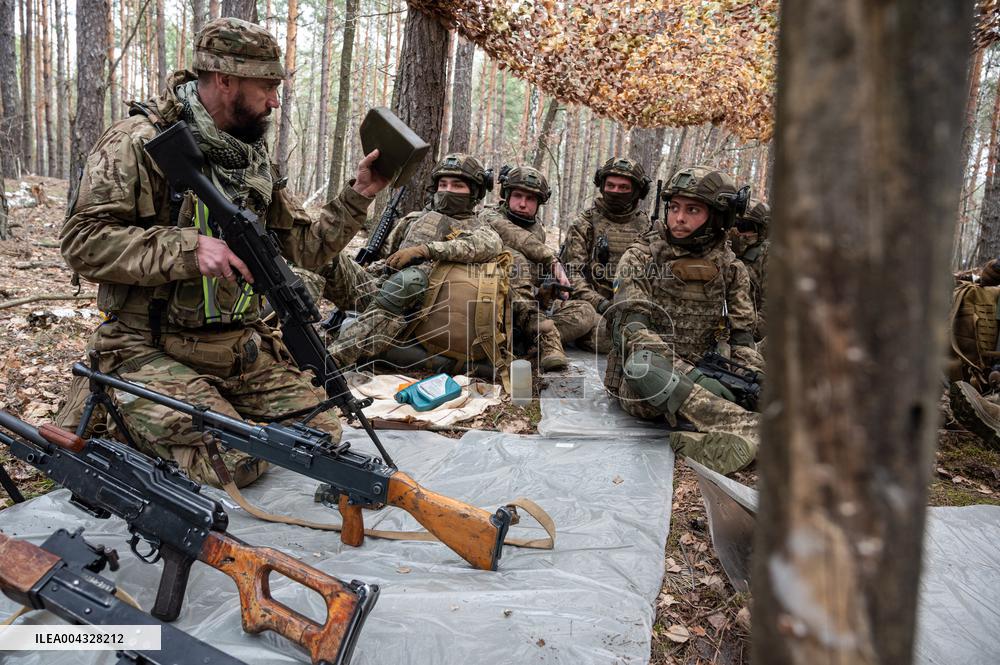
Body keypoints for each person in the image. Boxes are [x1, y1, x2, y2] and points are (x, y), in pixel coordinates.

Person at [57, 17, 388, 488]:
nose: (275, 101)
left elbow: (306, 246)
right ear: (224, 79)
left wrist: (360, 193)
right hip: (147, 345)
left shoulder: (250, 156)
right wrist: (187, 249)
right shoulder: (137, 142)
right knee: (236, 463)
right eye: (266, 87)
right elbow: (81, 242)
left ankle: (197, 415)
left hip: (234, 347)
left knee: (319, 435)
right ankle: (117, 414)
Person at [604, 166, 762, 474]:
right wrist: (697, 381)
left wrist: (754, 379)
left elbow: (743, 340)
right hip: (648, 383)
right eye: (674, 207)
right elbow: (633, 335)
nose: (678, 218)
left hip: (708, 371)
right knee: (643, 366)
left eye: (692, 210)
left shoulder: (731, 269)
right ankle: (749, 428)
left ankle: (699, 434)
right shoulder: (640, 258)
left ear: (718, 216)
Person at [322, 153, 503, 368]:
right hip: (378, 293)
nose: (447, 191)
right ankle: (281, 332)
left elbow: (480, 247)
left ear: (474, 192)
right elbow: (386, 258)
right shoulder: (413, 220)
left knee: (409, 280)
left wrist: (426, 250)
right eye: (443, 184)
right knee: (327, 257)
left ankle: (332, 360)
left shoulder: (481, 229)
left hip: (419, 314)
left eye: (457, 186)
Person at [481, 165, 594, 371]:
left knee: (585, 312)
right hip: (492, 309)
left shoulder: (537, 232)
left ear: (539, 203)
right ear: (506, 195)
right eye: (517, 196)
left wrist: (547, 292)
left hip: (526, 314)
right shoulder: (489, 216)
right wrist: (552, 262)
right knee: (514, 258)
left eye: (530, 199)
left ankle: (530, 341)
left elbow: (532, 286)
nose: (522, 204)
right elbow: (516, 237)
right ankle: (543, 338)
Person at [562, 156, 652, 351]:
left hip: (632, 307)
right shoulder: (584, 223)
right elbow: (572, 275)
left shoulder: (647, 227)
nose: (615, 192)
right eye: (610, 185)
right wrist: (601, 304)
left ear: (637, 191)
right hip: (594, 307)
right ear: (601, 186)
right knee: (606, 337)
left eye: (623, 187)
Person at [730, 198, 770, 341]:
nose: (737, 232)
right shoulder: (724, 250)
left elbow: (770, 311)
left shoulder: (768, 256)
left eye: (744, 226)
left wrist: (746, 336)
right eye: (735, 224)